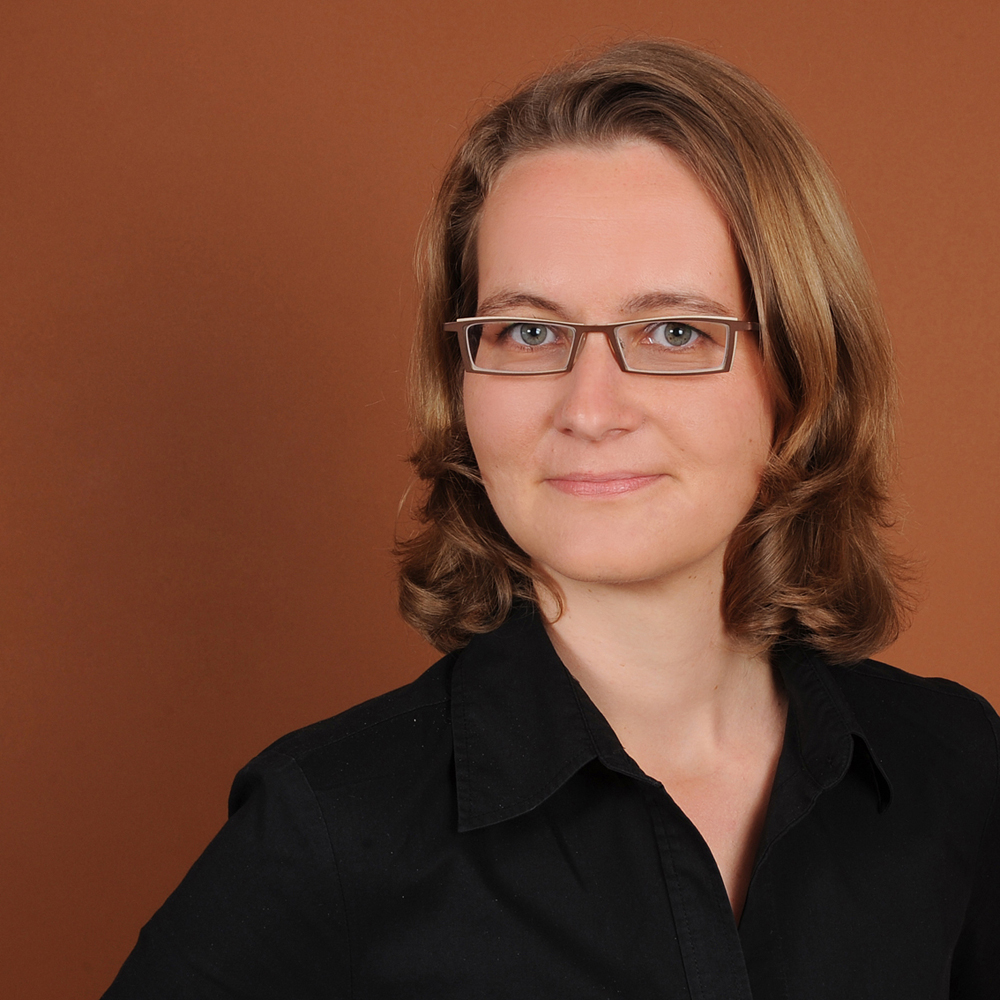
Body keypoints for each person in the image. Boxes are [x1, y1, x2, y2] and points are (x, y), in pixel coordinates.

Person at [102, 39, 999, 998]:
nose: (590, 409)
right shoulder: (326, 825)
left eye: (674, 331)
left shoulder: (953, 770)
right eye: (529, 331)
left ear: (800, 374)